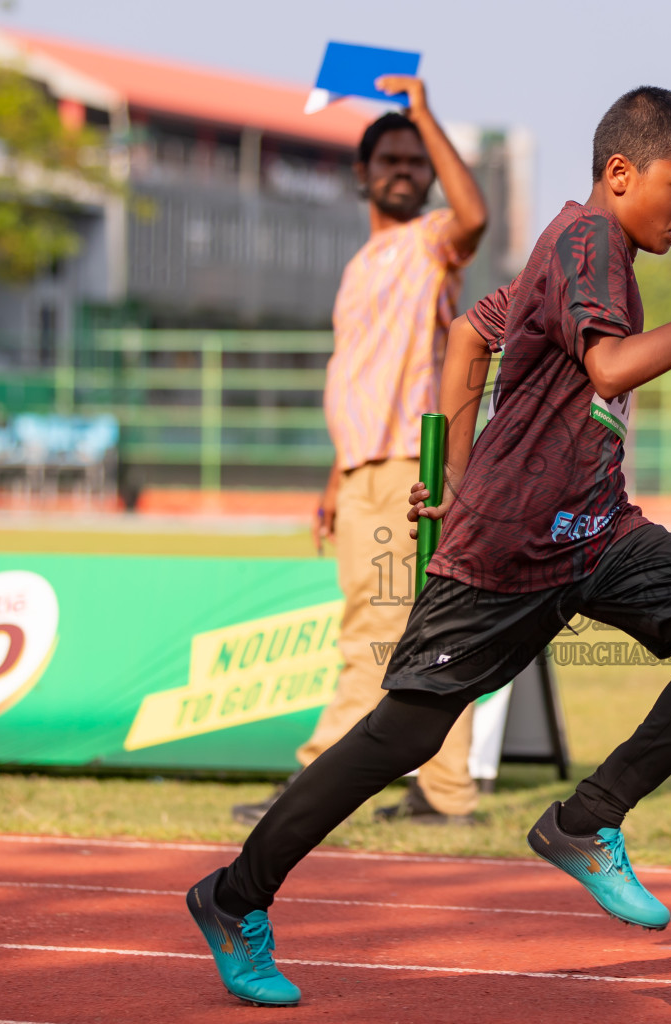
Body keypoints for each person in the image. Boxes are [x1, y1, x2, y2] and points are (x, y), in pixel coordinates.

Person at [185, 86, 671, 1008]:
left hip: (597, 528)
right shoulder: (586, 241)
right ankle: (233, 898)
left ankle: (586, 822)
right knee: (401, 736)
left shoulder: (581, 247)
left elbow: (472, 336)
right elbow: (612, 367)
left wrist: (455, 463)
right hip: (511, 547)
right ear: (620, 172)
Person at [229, 76, 488, 830]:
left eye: (417, 159)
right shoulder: (359, 266)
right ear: (362, 174)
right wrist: (333, 476)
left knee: (374, 633)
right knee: (427, 630)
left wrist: (425, 112)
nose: (404, 169)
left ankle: (314, 788)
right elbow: (356, 378)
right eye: (391, 159)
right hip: (362, 468)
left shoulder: (433, 241)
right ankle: (445, 794)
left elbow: (476, 214)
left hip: (413, 462)